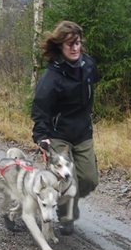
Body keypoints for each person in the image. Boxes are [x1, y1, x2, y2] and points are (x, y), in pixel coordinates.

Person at [31, 20, 99, 234]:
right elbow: (40, 107)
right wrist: (41, 135)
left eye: (77, 43)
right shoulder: (53, 76)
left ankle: (65, 202)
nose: (75, 48)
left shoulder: (88, 65)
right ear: (60, 46)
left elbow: (91, 86)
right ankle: (66, 213)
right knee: (65, 177)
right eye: (70, 44)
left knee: (88, 179)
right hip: (58, 134)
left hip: (82, 131)